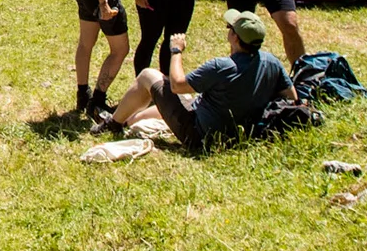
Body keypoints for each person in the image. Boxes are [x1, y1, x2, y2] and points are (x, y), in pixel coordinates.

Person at [92, 13, 296, 150]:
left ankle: (113, 124)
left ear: (234, 37)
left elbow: (177, 84)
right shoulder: (272, 62)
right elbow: (290, 97)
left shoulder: (222, 66)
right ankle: (127, 120)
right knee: (166, 107)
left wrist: (176, 50)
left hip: (201, 137)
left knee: (147, 76)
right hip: (240, 135)